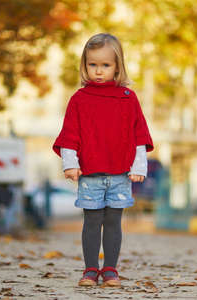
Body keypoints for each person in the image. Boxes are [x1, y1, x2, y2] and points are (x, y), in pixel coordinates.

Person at [53, 33, 153, 287]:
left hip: (120, 174)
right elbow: (70, 135)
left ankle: (110, 270)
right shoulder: (79, 99)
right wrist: (70, 163)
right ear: (84, 65)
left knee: (113, 222)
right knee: (92, 221)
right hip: (90, 174)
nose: (98, 71)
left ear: (118, 66)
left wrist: (139, 165)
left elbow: (138, 134)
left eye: (105, 65)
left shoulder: (128, 99)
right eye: (92, 65)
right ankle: (89, 270)